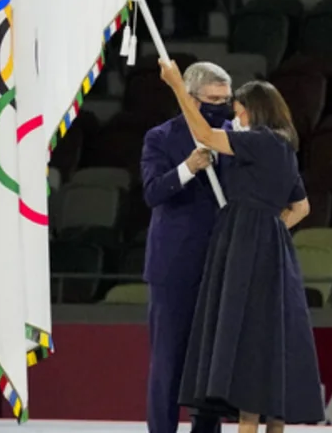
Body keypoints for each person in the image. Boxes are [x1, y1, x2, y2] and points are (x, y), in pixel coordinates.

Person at [157, 60, 325, 433]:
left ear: (252, 111)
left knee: (247, 339)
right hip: (272, 248)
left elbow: (202, 131)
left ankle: (247, 424)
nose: (236, 119)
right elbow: (301, 206)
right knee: (269, 339)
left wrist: (176, 87)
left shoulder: (259, 141)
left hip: (244, 248)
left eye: (238, 112)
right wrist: (270, 229)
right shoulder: (284, 147)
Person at [140, 62, 234, 433]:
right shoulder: (161, 137)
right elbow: (152, 192)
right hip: (175, 267)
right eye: (213, 100)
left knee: (210, 364)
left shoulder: (233, 136)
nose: (221, 108)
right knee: (169, 361)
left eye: (225, 101)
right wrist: (189, 167)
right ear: (190, 97)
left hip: (222, 263)